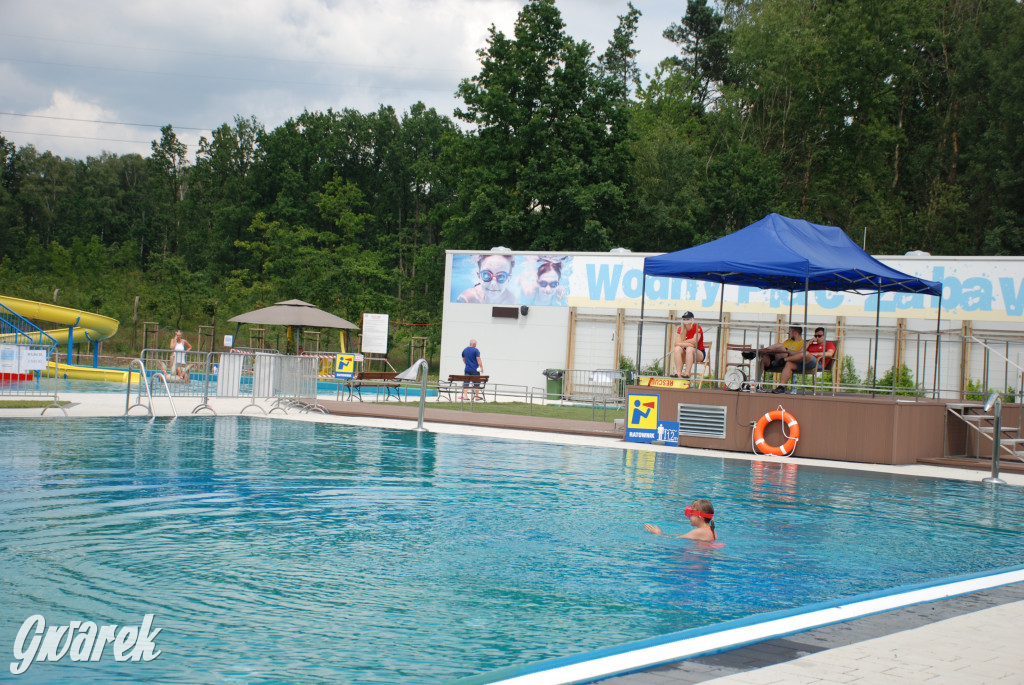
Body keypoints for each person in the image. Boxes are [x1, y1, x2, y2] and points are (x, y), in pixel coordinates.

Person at [756, 325, 812, 393]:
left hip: (789, 358)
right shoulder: (788, 341)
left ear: (795, 332)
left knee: (779, 345)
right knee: (764, 358)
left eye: (790, 331)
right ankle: (757, 384)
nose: (789, 333)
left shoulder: (803, 343)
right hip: (777, 358)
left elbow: (800, 354)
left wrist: (787, 350)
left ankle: (759, 351)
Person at [644, 499, 717, 542]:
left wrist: (658, 533)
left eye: (691, 514)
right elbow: (683, 536)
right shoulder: (711, 530)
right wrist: (664, 533)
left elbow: (675, 540)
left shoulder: (698, 531)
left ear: (700, 517)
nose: (689, 517)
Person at [672, 311, 705, 379]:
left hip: (698, 353)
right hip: (686, 352)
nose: (685, 320)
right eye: (684, 319)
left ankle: (687, 373)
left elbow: (694, 343)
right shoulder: (680, 328)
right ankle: (678, 373)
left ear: (692, 319)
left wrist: (684, 342)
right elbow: (676, 343)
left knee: (690, 349)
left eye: (688, 319)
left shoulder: (697, 327)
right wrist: (688, 343)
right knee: (677, 349)